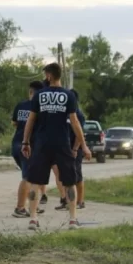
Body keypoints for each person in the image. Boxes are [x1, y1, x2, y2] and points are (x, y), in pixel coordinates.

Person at [21, 63, 91, 231]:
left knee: (35, 182)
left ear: (49, 76)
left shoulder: (39, 95)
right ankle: (73, 219)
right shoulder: (68, 96)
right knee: (69, 182)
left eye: (46, 75)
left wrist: (25, 142)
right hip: (62, 143)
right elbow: (75, 123)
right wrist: (84, 146)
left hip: (42, 143)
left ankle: (33, 218)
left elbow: (31, 120)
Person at [11, 80, 45, 218]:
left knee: (32, 177)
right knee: (28, 177)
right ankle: (19, 208)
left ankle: (33, 207)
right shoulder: (40, 108)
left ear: (30, 92)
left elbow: (14, 123)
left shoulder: (20, 105)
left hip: (16, 144)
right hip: (28, 146)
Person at [55, 88, 86, 210]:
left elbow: (80, 134)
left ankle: (80, 201)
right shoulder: (64, 113)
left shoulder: (78, 114)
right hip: (64, 148)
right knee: (65, 176)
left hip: (75, 149)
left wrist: (75, 149)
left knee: (77, 175)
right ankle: (66, 201)